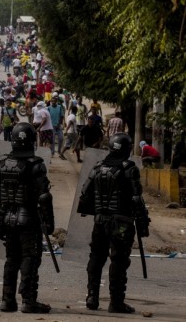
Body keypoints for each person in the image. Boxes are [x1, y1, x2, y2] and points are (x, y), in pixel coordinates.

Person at [77, 133, 150, 313]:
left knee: (96, 258)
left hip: (100, 221)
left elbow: (85, 196)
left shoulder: (97, 168)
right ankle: (116, 302)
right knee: (118, 261)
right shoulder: (129, 169)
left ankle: (92, 297)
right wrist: (143, 224)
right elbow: (136, 199)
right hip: (121, 222)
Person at [0, 123, 54, 313]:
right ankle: (28, 300)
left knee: (11, 259)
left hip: (7, 217)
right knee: (29, 259)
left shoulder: (2, 163)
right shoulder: (36, 164)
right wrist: (49, 222)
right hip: (28, 218)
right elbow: (44, 196)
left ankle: (7, 300)